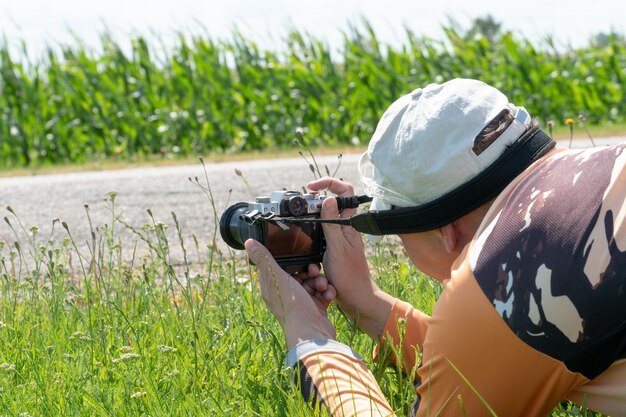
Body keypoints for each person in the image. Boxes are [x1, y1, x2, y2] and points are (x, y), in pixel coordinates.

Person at [244, 78, 626, 416]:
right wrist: (370, 305)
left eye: (399, 234)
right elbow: (492, 356)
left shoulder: (505, 270)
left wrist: (311, 338)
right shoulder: (604, 166)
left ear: (446, 232)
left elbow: (487, 334)